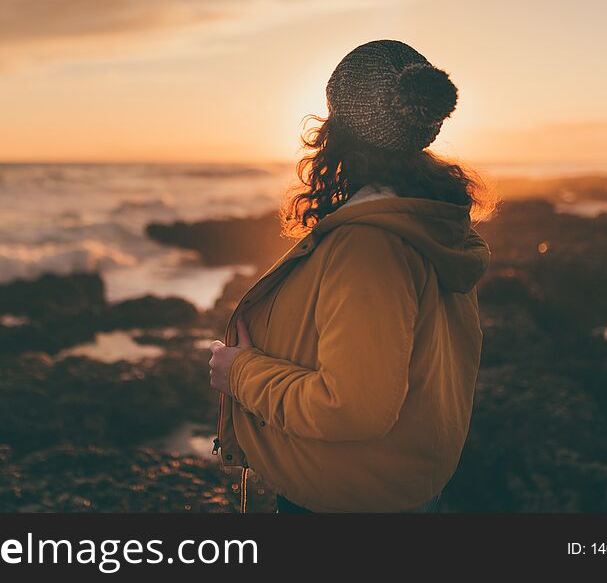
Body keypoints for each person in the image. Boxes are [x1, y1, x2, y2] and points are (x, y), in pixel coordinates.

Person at [208, 39, 493, 513]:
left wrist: (239, 372)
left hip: (348, 505)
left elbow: (352, 407)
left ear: (338, 124)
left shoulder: (370, 245)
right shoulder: (422, 218)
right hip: (394, 491)